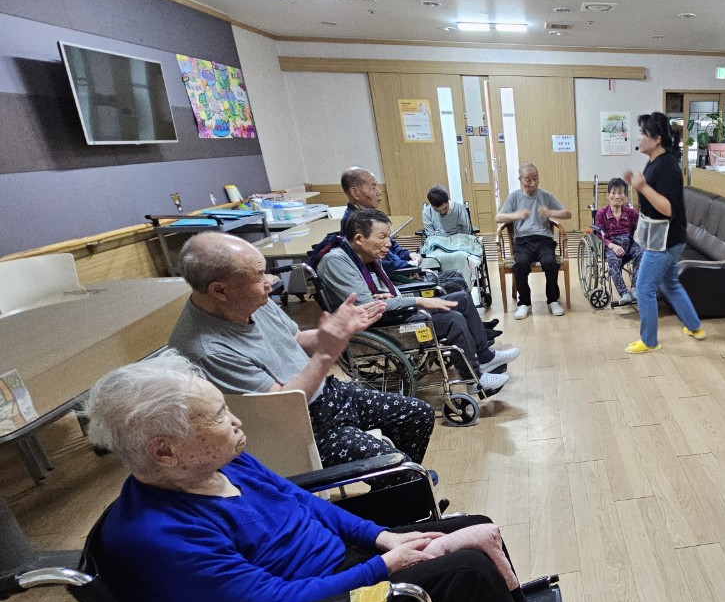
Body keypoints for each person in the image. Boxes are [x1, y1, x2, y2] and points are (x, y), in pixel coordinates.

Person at [85, 357, 570, 602]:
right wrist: (384, 568)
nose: (236, 421)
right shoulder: (159, 537)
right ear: (165, 452)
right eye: (217, 415)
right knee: (463, 567)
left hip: (339, 569)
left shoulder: (221, 461)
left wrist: (382, 537)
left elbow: (305, 503)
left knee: (477, 524)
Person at [169, 232, 437, 473]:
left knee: (417, 414)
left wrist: (339, 330)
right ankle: (402, 485)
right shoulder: (206, 349)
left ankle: (400, 490)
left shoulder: (250, 300)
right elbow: (285, 406)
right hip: (299, 428)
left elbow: (296, 339)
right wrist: (326, 354)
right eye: (258, 276)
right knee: (396, 467)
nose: (269, 283)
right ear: (219, 290)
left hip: (326, 394)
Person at [315, 208, 516, 396]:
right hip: (380, 324)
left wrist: (395, 297)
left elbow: (383, 294)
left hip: (392, 310)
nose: (388, 243)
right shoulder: (337, 262)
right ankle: (474, 379)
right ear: (359, 239)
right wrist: (419, 301)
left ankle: (484, 357)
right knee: (452, 319)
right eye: (382, 237)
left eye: (388, 236)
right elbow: (369, 307)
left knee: (461, 299)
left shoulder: (366, 255)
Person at [622, 112, 705, 353]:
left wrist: (642, 187)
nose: (638, 137)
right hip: (668, 238)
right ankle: (694, 326)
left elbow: (667, 208)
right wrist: (638, 185)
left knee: (644, 287)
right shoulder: (655, 162)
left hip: (665, 241)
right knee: (670, 283)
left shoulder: (667, 166)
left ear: (657, 139)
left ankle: (649, 341)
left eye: (642, 133)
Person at [494, 163, 573, 319]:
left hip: (544, 240)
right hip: (523, 241)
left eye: (535, 178)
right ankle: (525, 303)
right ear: (520, 179)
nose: (532, 183)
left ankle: (552, 300)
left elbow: (567, 214)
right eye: (527, 180)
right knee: (521, 264)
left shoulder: (545, 195)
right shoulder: (514, 197)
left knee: (550, 262)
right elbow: (498, 217)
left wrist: (549, 212)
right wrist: (517, 215)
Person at [340, 167, 423, 280]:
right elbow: (374, 264)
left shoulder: (369, 215)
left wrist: (408, 255)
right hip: (390, 279)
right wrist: (408, 265)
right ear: (355, 192)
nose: (379, 192)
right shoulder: (353, 223)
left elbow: (391, 244)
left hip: (402, 269)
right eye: (373, 187)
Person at [420, 185, 483, 287]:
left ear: (448, 200)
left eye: (445, 208)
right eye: (438, 210)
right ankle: (437, 287)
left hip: (458, 240)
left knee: (461, 256)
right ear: (432, 206)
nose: (443, 212)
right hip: (438, 243)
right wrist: (445, 240)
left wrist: (450, 239)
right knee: (431, 259)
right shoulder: (427, 212)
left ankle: (464, 287)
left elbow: (466, 231)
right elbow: (430, 234)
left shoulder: (459, 209)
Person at [594, 178, 642, 304]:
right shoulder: (601, 214)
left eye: (620, 193)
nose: (617, 196)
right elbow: (599, 235)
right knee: (613, 261)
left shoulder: (631, 213)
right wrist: (613, 246)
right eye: (613, 192)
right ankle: (624, 293)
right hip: (611, 247)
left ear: (625, 195)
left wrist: (637, 233)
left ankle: (635, 289)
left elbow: (641, 226)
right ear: (608, 195)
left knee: (642, 252)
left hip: (629, 245)